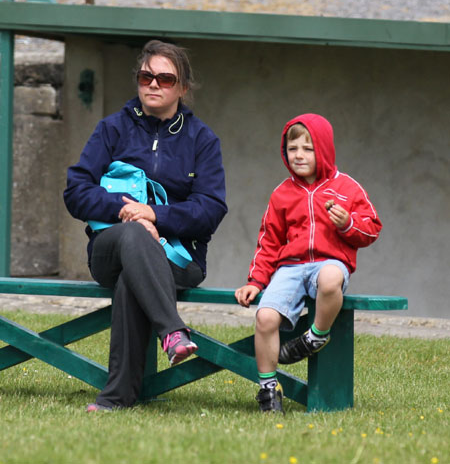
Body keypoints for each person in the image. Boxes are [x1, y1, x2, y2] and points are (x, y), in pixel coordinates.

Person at [64, 39, 227, 411]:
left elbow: (211, 208)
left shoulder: (202, 140)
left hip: (180, 257)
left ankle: (116, 397)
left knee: (130, 281)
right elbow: (76, 192)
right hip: (111, 247)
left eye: (165, 79)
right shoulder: (112, 129)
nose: (153, 84)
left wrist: (157, 216)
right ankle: (172, 330)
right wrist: (129, 212)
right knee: (134, 237)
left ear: (183, 88)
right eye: (146, 76)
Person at [235, 113, 382, 414]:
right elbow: (268, 242)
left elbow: (372, 229)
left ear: (324, 150)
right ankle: (267, 389)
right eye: (292, 149)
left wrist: (348, 224)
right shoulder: (282, 193)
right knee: (264, 318)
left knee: (330, 279)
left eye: (308, 148)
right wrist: (255, 281)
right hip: (289, 269)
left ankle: (316, 336)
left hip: (330, 263)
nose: (299, 155)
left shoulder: (347, 188)